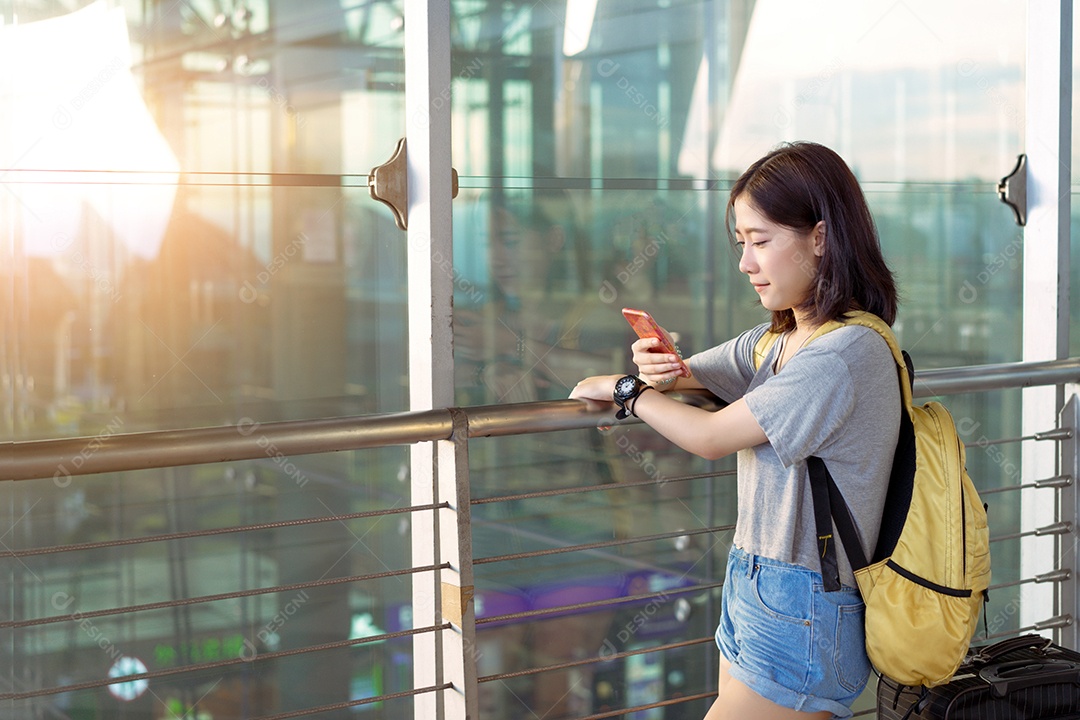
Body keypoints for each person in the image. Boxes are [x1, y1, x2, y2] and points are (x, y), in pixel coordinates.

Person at [569, 141, 900, 720]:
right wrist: (658, 370)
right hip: (759, 583)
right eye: (741, 243)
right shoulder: (777, 341)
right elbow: (692, 376)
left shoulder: (843, 355)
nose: (745, 263)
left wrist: (627, 392)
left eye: (761, 242)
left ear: (820, 238)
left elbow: (711, 436)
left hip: (804, 604)